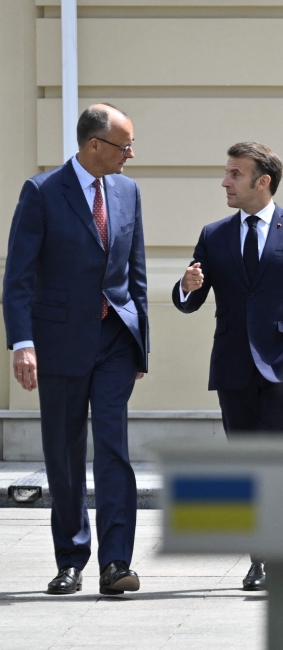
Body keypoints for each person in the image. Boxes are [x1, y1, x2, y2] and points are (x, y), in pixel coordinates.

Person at [172, 142, 283, 591]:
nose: (225, 182)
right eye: (226, 173)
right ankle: (260, 558)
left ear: (262, 182)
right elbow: (191, 300)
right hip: (233, 368)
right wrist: (186, 287)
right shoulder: (213, 234)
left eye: (235, 174)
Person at [4, 104, 149, 596]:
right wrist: (22, 343)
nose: (131, 154)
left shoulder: (129, 192)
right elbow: (18, 276)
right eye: (124, 145)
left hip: (114, 344)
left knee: (114, 451)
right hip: (60, 343)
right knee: (65, 453)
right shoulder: (42, 192)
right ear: (94, 146)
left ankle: (116, 563)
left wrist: (140, 346)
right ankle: (71, 559)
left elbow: (136, 275)